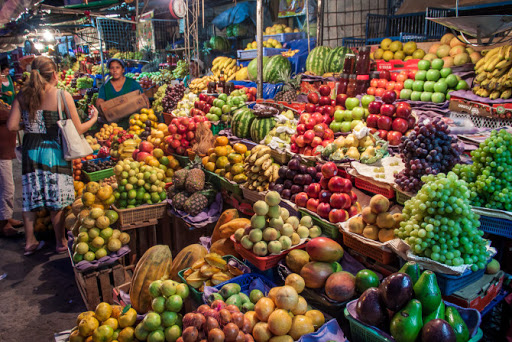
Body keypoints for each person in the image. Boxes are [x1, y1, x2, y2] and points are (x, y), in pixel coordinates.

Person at [7, 56, 99, 255]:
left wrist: (29, 125)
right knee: (56, 200)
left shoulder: (23, 95)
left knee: (30, 196)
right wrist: (94, 118)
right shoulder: (61, 95)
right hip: (53, 151)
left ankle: (30, 241)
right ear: (54, 74)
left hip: (31, 150)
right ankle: (60, 242)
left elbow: (12, 126)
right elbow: (79, 129)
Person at [96, 59, 143, 129]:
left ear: (123, 70)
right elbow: (99, 102)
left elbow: (143, 98)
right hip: (113, 126)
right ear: (109, 70)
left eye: (117, 67)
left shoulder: (132, 83)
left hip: (133, 125)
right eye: (112, 68)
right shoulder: (105, 86)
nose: (114, 70)